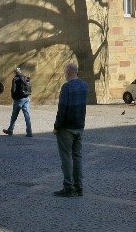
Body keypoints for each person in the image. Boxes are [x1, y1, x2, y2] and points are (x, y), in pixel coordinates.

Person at [53, 62, 88, 198]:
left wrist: (56, 127)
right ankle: (79, 187)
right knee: (77, 156)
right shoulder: (85, 85)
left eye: (64, 72)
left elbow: (62, 109)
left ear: (68, 72)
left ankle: (68, 187)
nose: (64, 74)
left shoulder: (66, 87)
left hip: (66, 127)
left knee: (66, 157)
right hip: (79, 126)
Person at [3, 66, 33, 137]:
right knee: (27, 116)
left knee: (14, 116)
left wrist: (14, 97)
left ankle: (10, 130)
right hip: (26, 98)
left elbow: (13, 90)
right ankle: (29, 132)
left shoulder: (15, 79)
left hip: (19, 99)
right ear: (21, 72)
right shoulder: (25, 78)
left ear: (15, 73)